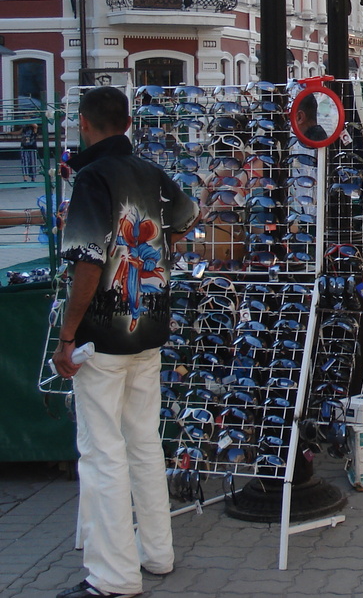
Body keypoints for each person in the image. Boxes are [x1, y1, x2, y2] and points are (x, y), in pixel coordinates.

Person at [52, 87, 199, 598]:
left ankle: (113, 577)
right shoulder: (147, 170)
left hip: (103, 336)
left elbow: (89, 262)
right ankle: (156, 552)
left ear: (86, 123)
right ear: (129, 122)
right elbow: (187, 215)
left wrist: (67, 335)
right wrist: (161, 255)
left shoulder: (93, 177)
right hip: (150, 326)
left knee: (101, 452)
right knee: (142, 440)